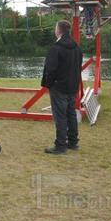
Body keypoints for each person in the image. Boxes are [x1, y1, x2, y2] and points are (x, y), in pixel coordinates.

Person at [41, 20, 83, 155]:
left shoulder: (56, 48)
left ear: (59, 30)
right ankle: (73, 142)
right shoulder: (76, 47)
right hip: (72, 86)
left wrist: (48, 83)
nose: (54, 30)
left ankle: (60, 145)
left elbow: (50, 69)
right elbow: (78, 66)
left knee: (60, 116)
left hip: (59, 86)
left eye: (55, 28)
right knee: (71, 114)